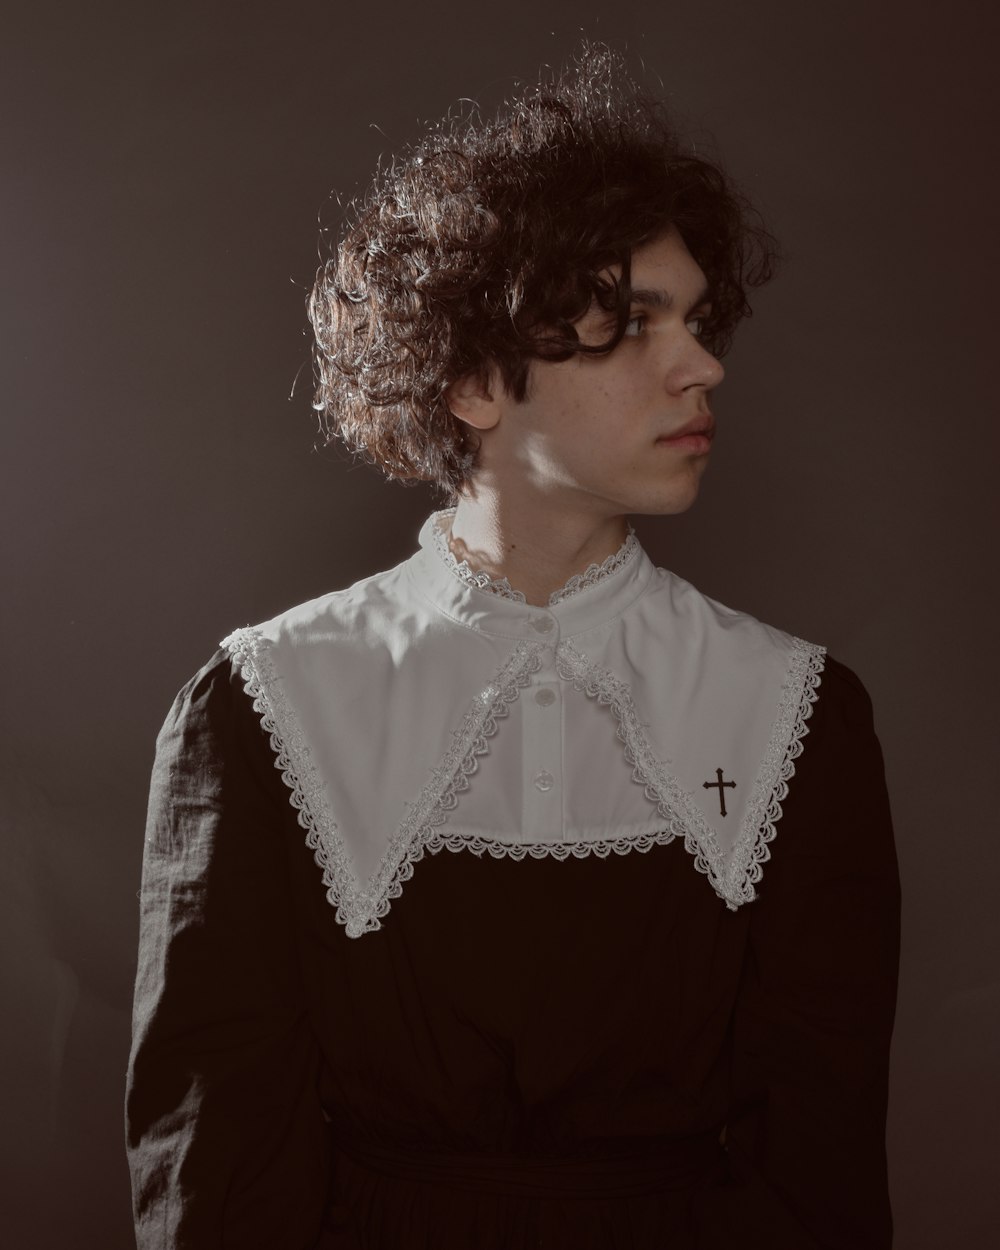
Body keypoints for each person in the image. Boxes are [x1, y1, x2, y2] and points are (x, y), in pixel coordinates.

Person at [125, 43, 901, 1249]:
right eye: (635, 323)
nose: (702, 364)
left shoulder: (798, 712)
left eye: (696, 321)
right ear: (476, 378)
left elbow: (821, 1177)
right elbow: (217, 1162)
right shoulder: (263, 701)